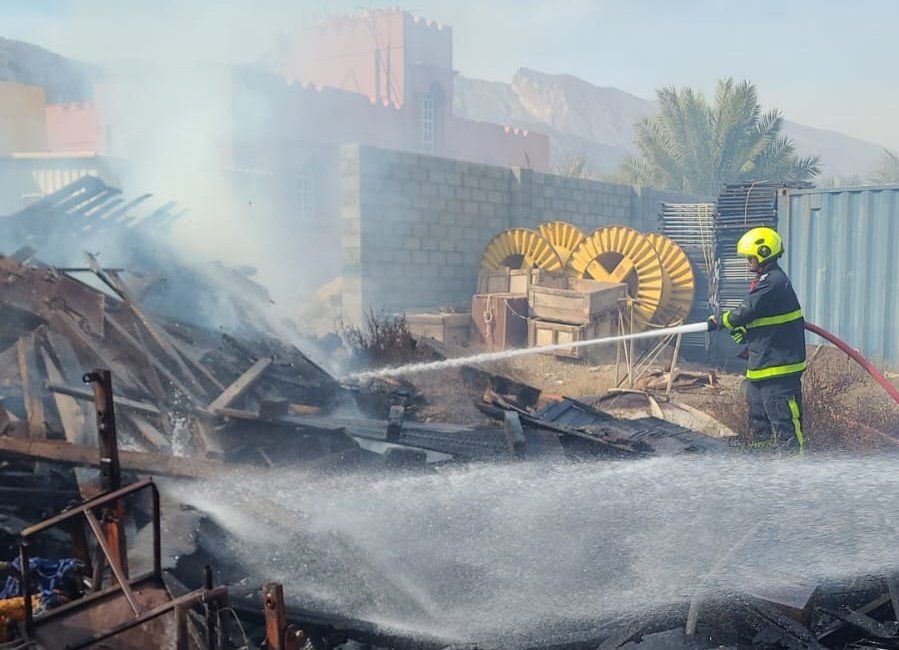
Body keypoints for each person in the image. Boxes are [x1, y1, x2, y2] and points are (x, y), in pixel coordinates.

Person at [708, 227, 806, 454]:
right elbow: (762, 318)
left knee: (784, 424)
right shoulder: (765, 281)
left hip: (779, 368)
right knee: (759, 423)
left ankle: (795, 473)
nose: (747, 261)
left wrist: (721, 321)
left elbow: (747, 310)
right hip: (761, 367)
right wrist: (746, 332)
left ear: (764, 252)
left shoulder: (774, 281)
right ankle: (762, 466)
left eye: (750, 257)